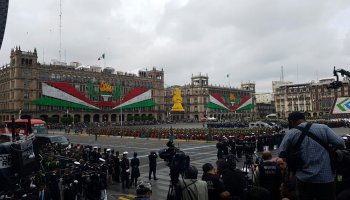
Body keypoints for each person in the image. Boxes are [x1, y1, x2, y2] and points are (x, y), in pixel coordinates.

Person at [278, 111, 345, 200]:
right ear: (304, 119)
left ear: (291, 122)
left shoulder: (291, 133)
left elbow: (281, 153)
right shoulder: (323, 128)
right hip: (326, 178)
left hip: (304, 179)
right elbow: (341, 143)